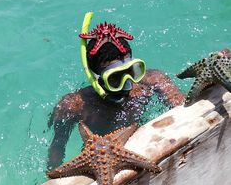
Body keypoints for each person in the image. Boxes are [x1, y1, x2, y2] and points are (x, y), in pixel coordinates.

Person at [47, 13, 185, 170]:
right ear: (96, 77)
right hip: (102, 160)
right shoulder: (74, 106)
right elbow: (57, 149)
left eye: (132, 71)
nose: (127, 84)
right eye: (115, 78)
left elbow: (184, 107)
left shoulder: (152, 81)